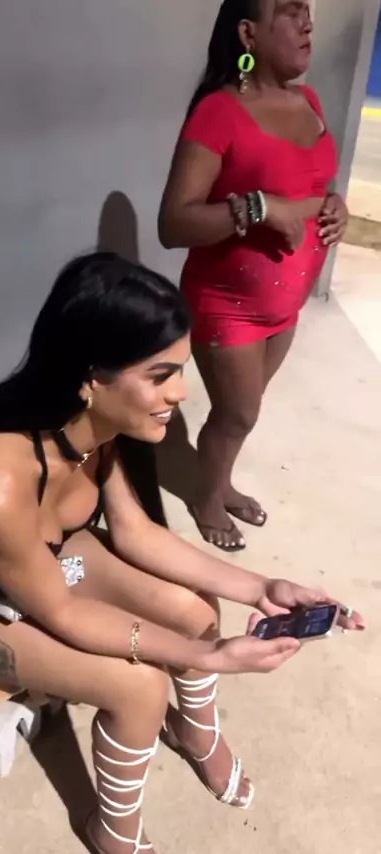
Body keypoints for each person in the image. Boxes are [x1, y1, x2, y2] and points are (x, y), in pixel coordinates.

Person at [0, 254, 362, 854]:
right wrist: (210, 656)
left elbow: (137, 533)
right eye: (160, 375)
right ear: (92, 377)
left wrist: (261, 588)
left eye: (180, 370)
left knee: (194, 610)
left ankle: (196, 734)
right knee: (139, 687)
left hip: (44, 561)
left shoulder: (98, 428)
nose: (181, 392)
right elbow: (63, 612)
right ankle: (113, 833)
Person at [158, 0, 349, 551]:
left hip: (286, 302)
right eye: (289, 12)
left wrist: (334, 205)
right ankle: (207, 498)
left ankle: (219, 481)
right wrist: (259, 207)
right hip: (228, 304)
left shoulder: (309, 102)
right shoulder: (218, 112)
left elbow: (312, 185)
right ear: (249, 34)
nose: (307, 22)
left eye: (307, 10)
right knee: (238, 413)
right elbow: (174, 222)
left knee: (241, 413)